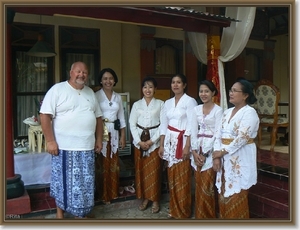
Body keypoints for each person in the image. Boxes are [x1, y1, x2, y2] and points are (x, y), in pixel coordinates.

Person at [39, 61, 103, 219]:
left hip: (86, 147)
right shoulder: (57, 90)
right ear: (71, 72)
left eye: (85, 72)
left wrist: (99, 139)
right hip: (64, 148)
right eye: (78, 71)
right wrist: (50, 141)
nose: (81, 75)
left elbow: (99, 118)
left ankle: (81, 214)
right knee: (62, 183)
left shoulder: (90, 93)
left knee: (84, 185)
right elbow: (44, 115)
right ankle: (60, 214)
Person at [212, 78, 259, 219]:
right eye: (230, 90)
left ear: (245, 95)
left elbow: (243, 137)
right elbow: (218, 134)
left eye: (235, 90)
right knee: (223, 191)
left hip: (240, 157)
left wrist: (223, 152)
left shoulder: (249, 113)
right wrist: (217, 155)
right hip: (223, 156)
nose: (231, 93)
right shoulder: (227, 112)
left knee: (237, 194)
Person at [158, 73, 198, 219]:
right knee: (172, 177)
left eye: (179, 82)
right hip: (169, 142)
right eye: (173, 82)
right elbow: (163, 125)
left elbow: (192, 125)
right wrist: (161, 145)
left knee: (183, 177)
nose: (175, 85)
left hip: (182, 141)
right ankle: (174, 209)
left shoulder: (190, 101)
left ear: (184, 85)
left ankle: (183, 211)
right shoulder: (167, 103)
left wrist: (187, 145)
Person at [129, 77, 164, 214]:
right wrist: (139, 141)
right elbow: (132, 124)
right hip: (139, 142)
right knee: (141, 171)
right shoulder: (137, 105)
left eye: (150, 87)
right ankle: (145, 198)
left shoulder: (161, 104)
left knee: (154, 171)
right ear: (142, 89)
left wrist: (151, 142)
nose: (147, 90)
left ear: (155, 89)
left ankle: (155, 199)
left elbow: (163, 125)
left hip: (154, 143)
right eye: (145, 87)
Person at [190, 80, 223, 218]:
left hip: (210, 150)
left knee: (207, 187)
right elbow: (192, 130)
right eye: (201, 91)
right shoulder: (196, 109)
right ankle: (200, 216)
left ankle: (208, 217)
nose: (203, 94)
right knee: (198, 186)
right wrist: (194, 151)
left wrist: (208, 153)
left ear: (213, 93)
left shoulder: (218, 110)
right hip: (197, 149)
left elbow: (218, 133)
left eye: (206, 91)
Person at [94, 68, 126, 204]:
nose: (108, 81)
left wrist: (123, 136)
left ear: (114, 80)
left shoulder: (118, 97)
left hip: (114, 130)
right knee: (102, 163)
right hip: (101, 130)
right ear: (101, 81)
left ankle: (112, 192)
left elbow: (122, 118)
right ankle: (103, 194)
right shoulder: (95, 96)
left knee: (113, 163)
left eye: (110, 78)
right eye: (105, 78)